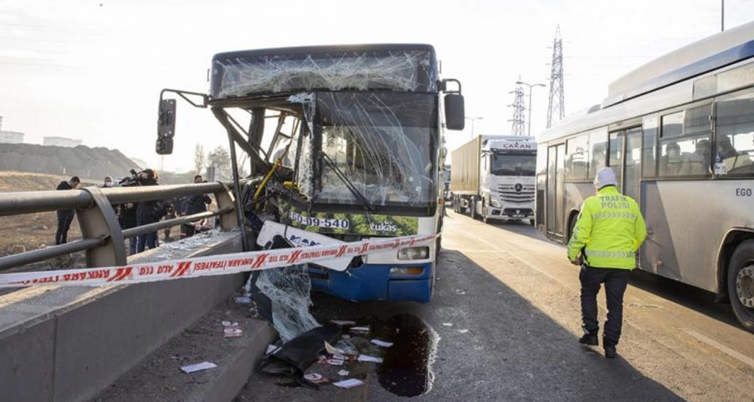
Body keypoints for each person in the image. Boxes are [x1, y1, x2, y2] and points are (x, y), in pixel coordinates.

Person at [567, 167, 647, 359]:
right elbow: (641, 234)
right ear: (615, 184)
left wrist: (572, 254)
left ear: (597, 185)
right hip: (621, 267)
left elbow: (580, 233)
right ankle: (610, 346)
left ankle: (591, 333)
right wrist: (627, 250)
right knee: (615, 305)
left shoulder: (592, 204)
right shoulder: (630, 204)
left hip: (595, 264)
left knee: (588, 293)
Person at [135, 169, 161, 252]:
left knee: (151, 242)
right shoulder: (141, 185)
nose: (142, 176)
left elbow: (148, 200)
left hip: (151, 217)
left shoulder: (154, 186)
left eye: (144, 174)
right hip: (141, 216)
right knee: (140, 242)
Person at [180, 174, 213, 239]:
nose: (199, 183)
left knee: (199, 235)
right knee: (189, 235)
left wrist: (204, 194)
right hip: (191, 216)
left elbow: (209, 201)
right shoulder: (191, 189)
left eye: (200, 182)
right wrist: (198, 192)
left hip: (200, 216)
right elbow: (189, 201)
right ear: (194, 182)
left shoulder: (202, 192)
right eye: (198, 182)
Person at [55, 176, 80, 245]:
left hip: (70, 211)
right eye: (75, 184)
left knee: (66, 227)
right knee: (61, 227)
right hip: (63, 210)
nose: (75, 186)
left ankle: (64, 241)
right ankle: (57, 242)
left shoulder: (72, 189)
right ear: (73, 181)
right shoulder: (62, 186)